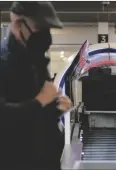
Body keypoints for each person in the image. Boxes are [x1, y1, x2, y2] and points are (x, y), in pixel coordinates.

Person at [0, 2, 72, 170]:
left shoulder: (36, 61)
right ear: (19, 24)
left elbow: (37, 114)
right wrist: (39, 101)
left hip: (44, 159)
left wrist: (55, 108)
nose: (46, 35)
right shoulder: (3, 63)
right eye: (40, 27)